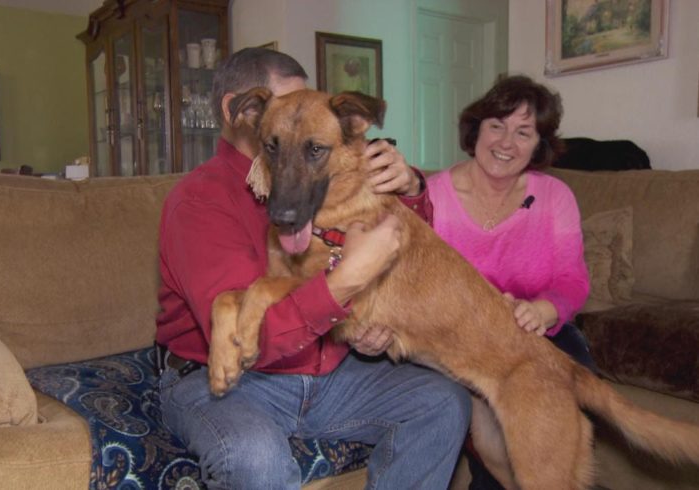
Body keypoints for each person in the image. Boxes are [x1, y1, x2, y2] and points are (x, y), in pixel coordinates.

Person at [155, 47, 471, 489]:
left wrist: (410, 187)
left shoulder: (321, 176)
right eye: (287, 109)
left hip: (330, 374)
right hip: (229, 382)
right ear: (240, 111)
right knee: (254, 454)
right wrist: (346, 283)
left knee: (443, 403)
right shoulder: (200, 200)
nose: (303, 116)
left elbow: (399, 257)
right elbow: (253, 339)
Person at [425, 75, 597, 489]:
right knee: (491, 437)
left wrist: (544, 308)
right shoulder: (432, 195)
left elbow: (573, 278)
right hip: (457, 342)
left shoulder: (555, 196)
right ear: (476, 129)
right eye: (497, 126)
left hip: (536, 332)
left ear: (539, 145)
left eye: (524, 132)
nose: (506, 142)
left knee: (568, 403)